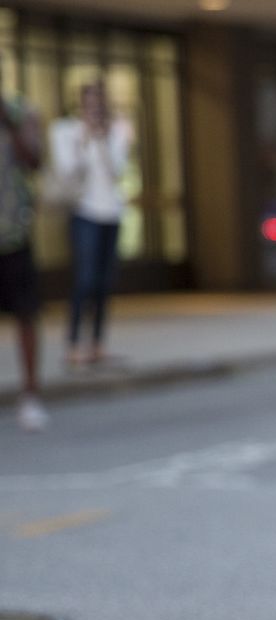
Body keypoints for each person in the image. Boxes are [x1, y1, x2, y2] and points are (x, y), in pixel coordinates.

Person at [48, 81, 133, 370]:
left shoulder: (117, 131)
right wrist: (84, 140)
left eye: (99, 104)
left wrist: (105, 139)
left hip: (112, 213)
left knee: (104, 282)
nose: (95, 110)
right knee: (85, 280)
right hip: (83, 212)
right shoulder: (65, 130)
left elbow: (118, 172)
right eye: (90, 104)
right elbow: (67, 172)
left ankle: (97, 345)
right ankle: (73, 344)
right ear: (81, 105)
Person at [0, 60, 46, 431]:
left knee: (26, 316)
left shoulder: (20, 111)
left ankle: (31, 396)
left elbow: (34, 159)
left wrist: (9, 121)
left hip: (14, 234)